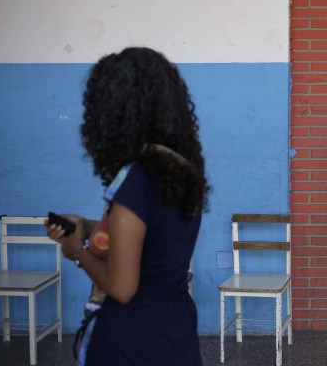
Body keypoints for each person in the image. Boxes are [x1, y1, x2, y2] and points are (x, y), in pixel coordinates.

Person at [46, 47, 209, 366]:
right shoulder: (181, 170)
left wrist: (77, 251)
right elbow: (152, 236)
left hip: (129, 343)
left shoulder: (135, 179)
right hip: (176, 336)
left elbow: (122, 287)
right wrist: (88, 226)